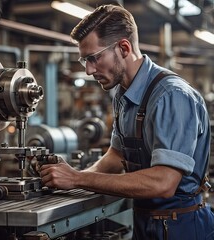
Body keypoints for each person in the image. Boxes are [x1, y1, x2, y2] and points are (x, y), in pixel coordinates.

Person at [40, 4, 214, 240]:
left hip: (180, 227)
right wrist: (72, 181)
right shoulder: (123, 94)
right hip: (144, 222)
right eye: (84, 61)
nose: (89, 70)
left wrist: (77, 178)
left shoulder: (171, 96)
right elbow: (115, 156)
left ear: (124, 47)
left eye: (94, 58)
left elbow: (164, 183)